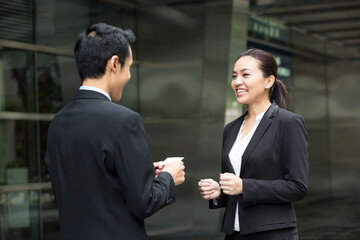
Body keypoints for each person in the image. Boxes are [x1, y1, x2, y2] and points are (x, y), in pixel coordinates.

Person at [45, 23, 185, 240]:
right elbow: (144, 202)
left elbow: (86, 182)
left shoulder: (58, 122)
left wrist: (141, 171)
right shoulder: (125, 120)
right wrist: (168, 176)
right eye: (129, 67)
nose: (129, 76)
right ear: (114, 63)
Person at [198, 49, 308, 240]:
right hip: (234, 234)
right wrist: (219, 192)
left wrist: (244, 187)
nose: (237, 82)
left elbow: (297, 187)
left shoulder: (288, 123)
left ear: (269, 81)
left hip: (273, 234)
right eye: (234, 76)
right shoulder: (231, 129)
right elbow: (235, 184)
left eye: (245, 74)